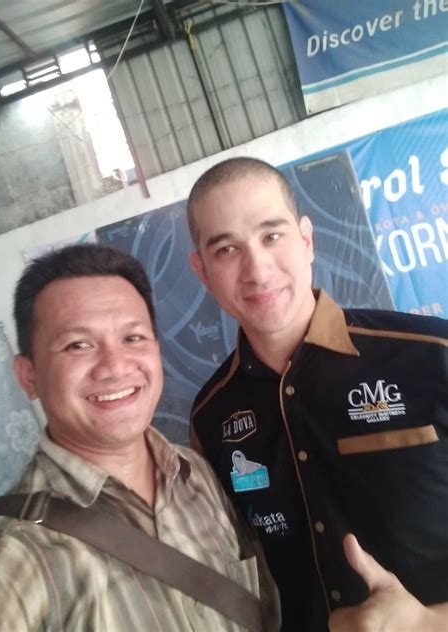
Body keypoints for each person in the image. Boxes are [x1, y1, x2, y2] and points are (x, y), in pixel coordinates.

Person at [187, 157, 448, 631]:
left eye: (272, 236)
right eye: (226, 249)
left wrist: (432, 622)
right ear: (202, 272)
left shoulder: (432, 357)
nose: (257, 270)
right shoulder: (211, 418)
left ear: (306, 239)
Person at [0, 243, 280, 631]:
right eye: (78, 345)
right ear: (28, 376)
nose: (115, 366)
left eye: (133, 338)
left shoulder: (197, 473)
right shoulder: (12, 554)